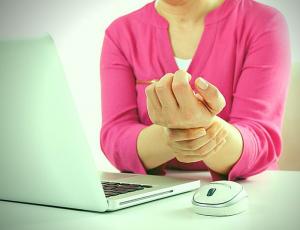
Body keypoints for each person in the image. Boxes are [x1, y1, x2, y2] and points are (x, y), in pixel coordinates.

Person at [100, 0, 291, 181]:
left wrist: (198, 126)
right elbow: (115, 136)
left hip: (244, 192)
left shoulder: (263, 23)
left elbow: (259, 139)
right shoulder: (121, 33)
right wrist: (172, 135)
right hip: (154, 193)